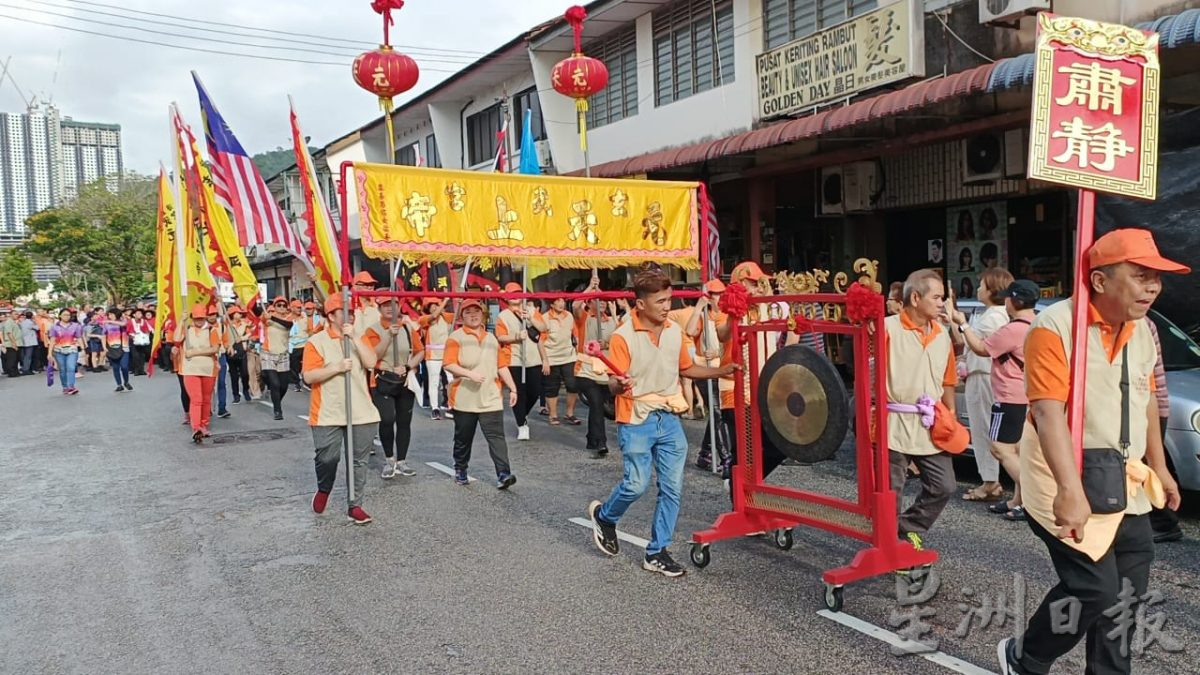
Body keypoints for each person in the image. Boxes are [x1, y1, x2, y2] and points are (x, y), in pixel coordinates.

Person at [997, 229, 1185, 675]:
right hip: (1066, 472)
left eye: (1156, 278)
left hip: (1126, 478)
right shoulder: (1055, 326)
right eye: (1141, 276)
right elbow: (1046, 412)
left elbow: (1143, 403)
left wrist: (1159, 465)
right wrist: (1069, 489)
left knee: (1126, 597)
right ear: (1100, 281)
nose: (1152, 287)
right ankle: (1026, 658)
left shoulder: (1144, 331)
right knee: (1094, 590)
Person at [587, 268, 737, 577]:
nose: (666, 306)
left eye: (669, 299)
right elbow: (613, 385)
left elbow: (687, 368)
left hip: (669, 417)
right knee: (636, 484)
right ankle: (605, 516)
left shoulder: (673, 331)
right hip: (636, 416)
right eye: (660, 301)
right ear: (641, 304)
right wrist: (618, 385)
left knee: (672, 488)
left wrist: (722, 371)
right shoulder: (622, 337)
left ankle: (657, 551)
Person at [884, 269, 959, 552]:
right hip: (893, 418)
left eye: (943, 297)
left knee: (945, 485)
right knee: (891, 491)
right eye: (937, 297)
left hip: (931, 420)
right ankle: (889, 546)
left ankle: (905, 528)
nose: (942, 303)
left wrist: (950, 410)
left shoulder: (942, 334)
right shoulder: (886, 328)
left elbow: (948, 377)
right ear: (915, 298)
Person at [953, 279, 1037, 522]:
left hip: (1009, 396)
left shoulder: (1013, 329)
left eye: (1008, 298)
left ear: (1015, 301)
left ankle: (1032, 497)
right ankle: (1017, 501)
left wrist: (962, 325)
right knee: (1020, 451)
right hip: (1026, 394)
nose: (1005, 302)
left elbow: (981, 348)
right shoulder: (1037, 323)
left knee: (999, 448)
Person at [302, 294, 380, 525]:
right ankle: (324, 488)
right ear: (331, 316)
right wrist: (336, 367)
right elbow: (309, 376)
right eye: (344, 312)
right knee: (328, 458)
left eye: (353, 312)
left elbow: (371, 362)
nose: (350, 316)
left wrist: (355, 337)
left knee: (359, 461)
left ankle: (355, 505)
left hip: (361, 410)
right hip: (328, 410)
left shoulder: (358, 337)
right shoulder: (316, 342)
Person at [443, 299, 520, 488]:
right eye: (468, 312)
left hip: (490, 396)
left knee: (496, 437)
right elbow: (448, 364)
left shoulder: (491, 338)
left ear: (483, 314)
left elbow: (501, 365)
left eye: (476, 311)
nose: (473, 315)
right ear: (462, 317)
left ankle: (504, 473)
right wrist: (470, 374)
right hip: (465, 396)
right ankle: (461, 468)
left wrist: (512, 387)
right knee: (463, 437)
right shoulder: (455, 337)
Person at [954, 267, 1013, 503]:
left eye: (982, 285)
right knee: (982, 429)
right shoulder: (989, 313)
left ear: (993, 290)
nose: (978, 288)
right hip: (980, 374)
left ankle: (990, 481)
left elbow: (978, 344)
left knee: (984, 429)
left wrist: (961, 324)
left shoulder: (996, 315)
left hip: (984, 376)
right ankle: (989, 479)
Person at [364, 300, 423, 479]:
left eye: (393, 304)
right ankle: (389, 460)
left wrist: (407, 366)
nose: (390, 308)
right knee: (387, 419)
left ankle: (402, 461)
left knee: (404, 422)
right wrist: (388, 336)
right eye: (385, 305)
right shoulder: (373, 330)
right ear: (379, 309)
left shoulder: (407, 328)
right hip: (382, 380)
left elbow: (420, 351)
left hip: (404, 381)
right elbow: (373, 356)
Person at [1146, 320, 1183, 544]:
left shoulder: (1141, 324)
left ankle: (1164, 521)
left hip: (1152, 407)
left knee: (1148, 466)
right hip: (1153, 404)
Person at [573, 280, 618, 459]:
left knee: (601, 406)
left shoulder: (612, 321)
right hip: (586, 369)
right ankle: (601, 442)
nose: (602, 303)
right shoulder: (584, 318)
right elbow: (576, 304)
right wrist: (590, 287)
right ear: (589, 303)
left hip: (606, 370)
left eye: (604, 300)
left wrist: (606, 343)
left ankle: (592, 437)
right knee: (597, 404)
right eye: (598, 300)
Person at [494, 282, 542, 441]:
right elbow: (500, 337)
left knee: (535, 391)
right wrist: (516, 337)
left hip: (533, 359)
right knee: (518, 392)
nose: (515, 296)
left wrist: (530, 318)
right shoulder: (503, 316)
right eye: (512, 293)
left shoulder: (531, 310)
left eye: (518, 292)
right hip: (513, 359)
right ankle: (521, 424)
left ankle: (523, 413)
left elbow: (544, 328)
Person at [689, 278, 728, 471]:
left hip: (723, 368)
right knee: (716, 412)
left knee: (717, 414)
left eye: (721, 293)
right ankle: (726, 457)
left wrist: (719, 352)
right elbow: (689, 331)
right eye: (715, 294)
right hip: (704, 370)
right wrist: (698, 308)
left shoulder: (728, 315)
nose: (719, 298)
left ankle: (704, 453)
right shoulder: (703, 315)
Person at [533, 295, 580, 426]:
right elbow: (540, 342)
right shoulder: (545, 318)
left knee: (573, 385)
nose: (561, 303)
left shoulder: (569, 316)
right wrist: (545, 361)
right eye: (558, 301)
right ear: (551, 305)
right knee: (552, 388)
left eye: (562, 300)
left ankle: (570, 414)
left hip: (569, 357)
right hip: (552, 357)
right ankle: (553, 415)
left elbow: (575, 334)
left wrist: (577, 352)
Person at [177, 304, 219, 443]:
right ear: (192, 318)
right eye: (196, 318)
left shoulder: (212, 330)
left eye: (201, 318)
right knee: (196, 399)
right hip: (190, 369)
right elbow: (176, 339)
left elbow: (215, 348)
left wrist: (195, 352)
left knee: (206, 399)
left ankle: (204, 424)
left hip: (208, 369)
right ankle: (196, 428)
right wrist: (181, 321)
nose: (199, 321)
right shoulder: (187, 329)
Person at [418, 297, 453, 420]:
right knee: (434, 382)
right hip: (432, 355)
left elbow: (457, 316)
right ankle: (435, 408)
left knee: (451, 380)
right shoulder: (423, 319)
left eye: (435, 304)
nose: (434, 306)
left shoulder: (445, 317)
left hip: (447, 353)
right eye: (431, 305)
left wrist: (458, 302)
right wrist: (445, 300)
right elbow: (433, 316)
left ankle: (451, 405)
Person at [260, 296, 294, 420]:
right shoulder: (267, 318)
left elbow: (288, 325)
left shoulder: (289, 318)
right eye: (278, 305)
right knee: (275, 384)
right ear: (274, 307)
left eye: (284, 305)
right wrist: (267, 316)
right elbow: (261, 315)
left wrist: (273, 318)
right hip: (268, 353)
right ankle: (277, 411)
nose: (281, 307)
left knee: (283, 385)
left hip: (283, 354)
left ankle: (276, 400)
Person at [47, 309, 84, 394]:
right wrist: (49, 353)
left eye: (68, 315)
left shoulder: (76, 326)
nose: (66, 317)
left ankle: (71, 386)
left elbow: (79, 337)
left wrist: (83, 349)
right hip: (59, 350)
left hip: (72, 349)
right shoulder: (54, 327)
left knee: (71, 367)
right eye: (64, 315)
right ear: (60, 316)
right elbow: (52, 340)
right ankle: (65, 386)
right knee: (62, 370)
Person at [208, 306, 232, 419]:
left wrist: (229, 347)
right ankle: (207, 408)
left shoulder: (222, 326)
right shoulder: (203, 328)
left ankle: (222, 408)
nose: (211, 316)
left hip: (221, 356)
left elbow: (226, 341)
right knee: (208, 384)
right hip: (207, 357)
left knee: (221, 383)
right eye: (209, 314)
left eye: (213, 314)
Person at [227, 306, 252, 405]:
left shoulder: (244, 325)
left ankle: (246, 390)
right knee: (234, 376)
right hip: (231, 352)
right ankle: (236, 395)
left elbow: (249, 334)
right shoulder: (228, 325)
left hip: (242, 350)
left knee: (245, 374)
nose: (240, 315)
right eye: (237, 313)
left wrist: (241, 338)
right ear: (233, 314)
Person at [103, 308, 132, 392]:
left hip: (124, 347)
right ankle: (119, 385)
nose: (110, 316)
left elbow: (124, 324)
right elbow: (103, 335)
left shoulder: (123, 321)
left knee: (124, 366)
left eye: (112, 314)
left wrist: (110, 321)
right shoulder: (106, 325)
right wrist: (104, 347)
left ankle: (126, 382)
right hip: (112, 347)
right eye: (109, 314)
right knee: (115, 368)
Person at [350, 271, 381, 338]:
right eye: (366, 285)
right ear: (355, 286)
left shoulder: (378, 307)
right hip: (353, 345)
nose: (370, 288)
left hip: (374, 346)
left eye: (372, 285)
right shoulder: (348, 306)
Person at [287, 299, 308, 392]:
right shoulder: (288, 319)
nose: (300, 309)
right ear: (292, 308)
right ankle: (296, 383)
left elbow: (310, 330)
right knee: (294, 367)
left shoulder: (305, 317)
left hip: (305, 345)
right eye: (297, 307)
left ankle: (307, 381)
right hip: (293, 347)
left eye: (300, 307)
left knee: (306, 365)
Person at [128, 308, 152, 376]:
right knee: (135, 356)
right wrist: (133, 336)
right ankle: (136, 370)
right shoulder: (130, 321)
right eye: (138, 313)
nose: (140, 315)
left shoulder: (144, 321)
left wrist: (146, 333)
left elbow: (149, 329)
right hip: (134, 340)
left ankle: (141, 369)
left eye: (141, 313)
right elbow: (128, 331)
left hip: (142, 340)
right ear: (134, 314)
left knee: (142, 355)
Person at [1, 306, 21, 377]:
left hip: (16, 343)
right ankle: (11, 373)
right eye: (15, 314)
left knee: (16, 359)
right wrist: (14, 343)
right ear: (11, 315)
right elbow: (9, 333)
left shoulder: (13, 322)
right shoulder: (9, 322)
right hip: (11, 344)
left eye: (17, 314)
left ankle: (15, 372)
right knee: (11, 359)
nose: (17, 315)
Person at [19, 310, 38, 375]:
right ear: (32, 316)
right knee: (28, 356)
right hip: (30, 341)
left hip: (24, 340)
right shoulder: (30, 323)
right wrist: (34, 322)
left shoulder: (22, 322)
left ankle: (25, 367)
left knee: (25, 356)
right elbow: (37, 328)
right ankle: (26, 369)